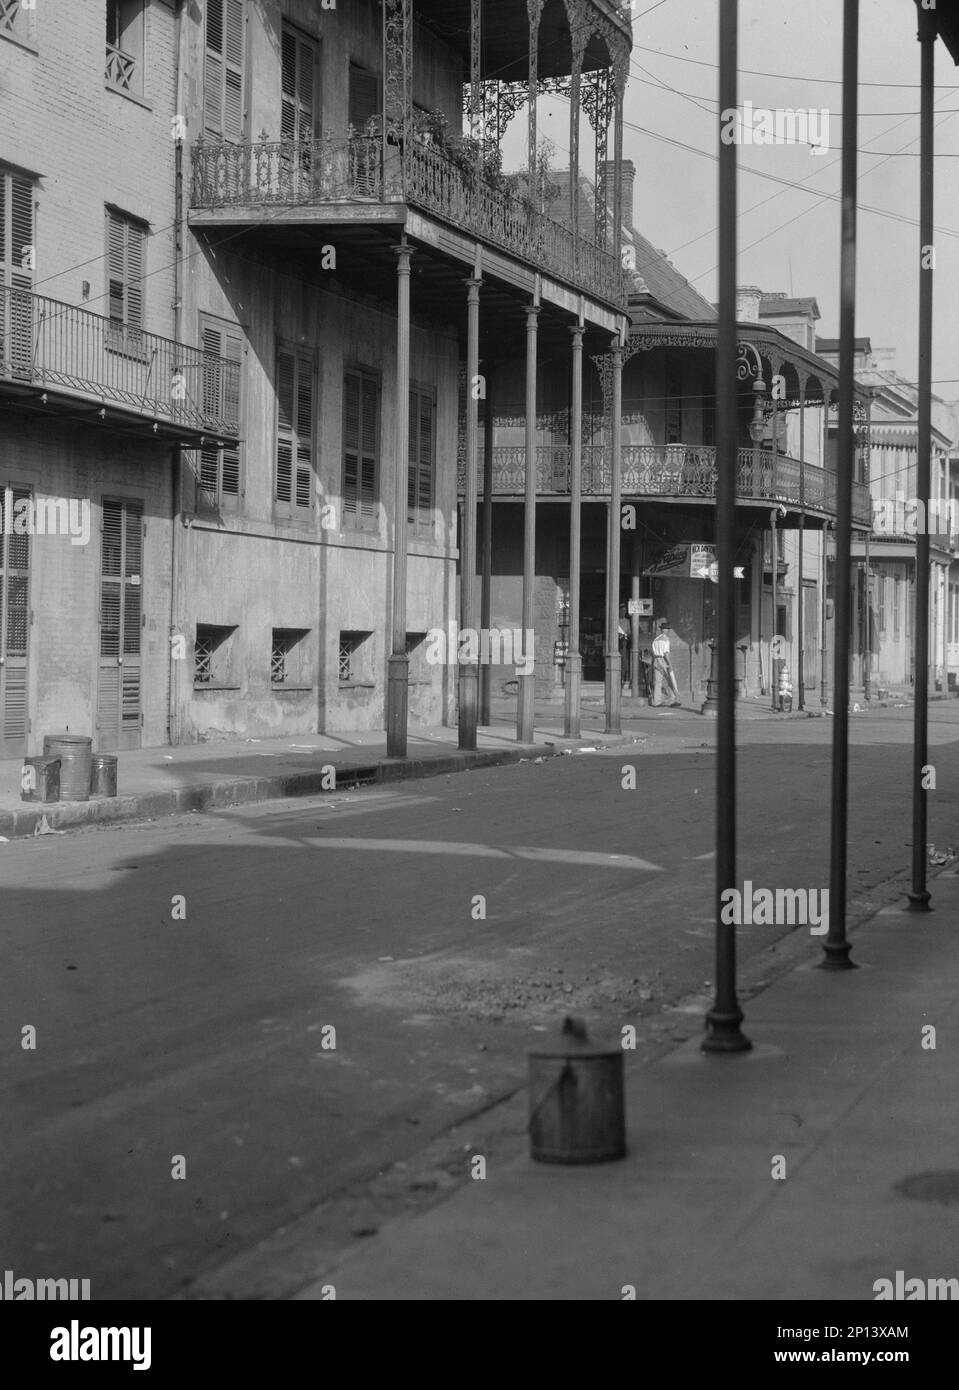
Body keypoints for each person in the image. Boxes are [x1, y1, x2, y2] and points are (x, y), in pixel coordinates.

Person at [650, 619, 681, 707]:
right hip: (663, 660)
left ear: (661, 629)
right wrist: (669, 664)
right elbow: (665, 654)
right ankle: (673, 700)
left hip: (656, 660)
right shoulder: (666, 639)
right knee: (670, 680)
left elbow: (653, 652)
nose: (668, 631)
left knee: (658, 682)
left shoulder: (656, 640)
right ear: (666, 630)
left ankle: (656, 702)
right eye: (667, 629)